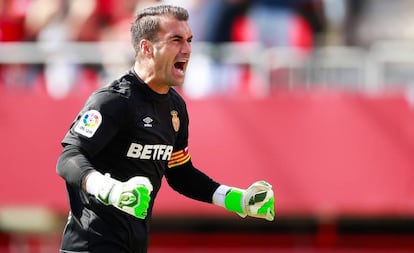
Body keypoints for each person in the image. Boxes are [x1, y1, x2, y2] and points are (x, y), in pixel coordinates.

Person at [56, 4, 274, 253]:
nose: (187, 50)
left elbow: (180, 172)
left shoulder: (175, 107)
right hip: (88, 248)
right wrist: (111, 190)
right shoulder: (113, 101)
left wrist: (236, 199)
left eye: (189, 40)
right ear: (147, 48)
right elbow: (68, 158)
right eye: (176, 40)